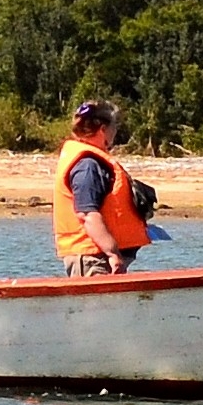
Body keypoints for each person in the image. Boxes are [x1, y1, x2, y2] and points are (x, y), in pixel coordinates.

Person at [52, 99, 152, 277]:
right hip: (93, 258)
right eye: (115, 126)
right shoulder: (88, 165)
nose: (116, 132)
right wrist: (113, 253)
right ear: (103, 129)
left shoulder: (92, 160)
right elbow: (87, 214)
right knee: (98, 305)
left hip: (99, 256)